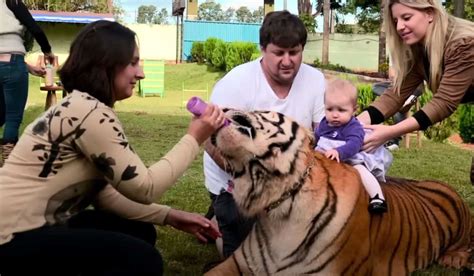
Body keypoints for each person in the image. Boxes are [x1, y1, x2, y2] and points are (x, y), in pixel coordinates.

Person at [0, 20, 226, 276]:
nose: (140, 74)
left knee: (138, 232)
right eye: (133, 63)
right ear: (106, 64)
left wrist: (170, 216)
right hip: (11, 237)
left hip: (30, 226)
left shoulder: (82, 105)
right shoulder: (90, 112)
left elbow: (105, 196)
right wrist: (194, 138)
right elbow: (145, 187)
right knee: (142, 260)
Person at [203, 10, 326, 258]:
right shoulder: (237, 82)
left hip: (294, 179)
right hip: (237, 182)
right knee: (248, 257)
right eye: (279, 53)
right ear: (262, 49)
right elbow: (209, 139)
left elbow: (323, 134)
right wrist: (256, 176)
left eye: (294, 52)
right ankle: (220, 220)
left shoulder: (315, 80)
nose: (287, 60)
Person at [357, 0, 473, 153]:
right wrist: (352, 124)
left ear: (429, 14)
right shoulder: (419, 51)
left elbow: (444, 103)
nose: (399, 27)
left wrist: (390, 132)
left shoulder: (463, 44)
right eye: (396, 21)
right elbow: (395, 95)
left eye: (406, 18)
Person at [314, 79, 392, 214]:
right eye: (329, 109)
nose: (335, 114)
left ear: (354, 110)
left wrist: (339, 151)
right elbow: (317, 137)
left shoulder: (353, 127)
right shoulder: (324, 123)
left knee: (361, 171)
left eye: (341, 110)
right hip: (326, 156)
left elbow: (354, 144)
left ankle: (377, 197)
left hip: (350, 157)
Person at [0, 0, 56, 166]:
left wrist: (29, 68)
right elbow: (35, 28)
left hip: (12, 63)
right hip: (12, 63)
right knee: (12, 117)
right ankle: (8, 164)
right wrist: (48, 51)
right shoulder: (11, 2)